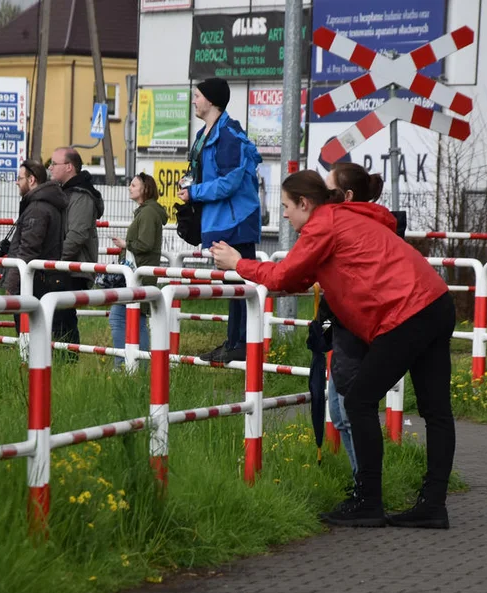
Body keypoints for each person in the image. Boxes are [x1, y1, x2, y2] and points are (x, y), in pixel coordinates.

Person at [211, 170, 455, 530]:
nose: (283, 215)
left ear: (305, 204)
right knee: (436, 411)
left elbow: (282, 278)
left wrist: (238, 263)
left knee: (359, 400)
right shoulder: (348, 215)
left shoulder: (323, 225)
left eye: (286, 207)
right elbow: (300, 277)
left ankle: (368, 501)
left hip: (406, 313)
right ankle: (432, 504)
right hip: (435, 301)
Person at [176, 78, 262, 364]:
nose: (194, 101)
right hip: (223, 219)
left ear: (211, 100)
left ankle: (243, 345)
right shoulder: (207, 133)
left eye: (197, 96)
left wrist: (195, 192)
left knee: (243, 288)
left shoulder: (228, 135)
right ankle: (234, 342)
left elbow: (230, 183)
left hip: (237, 221)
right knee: (234, 288)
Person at [319, 163, 389, 480]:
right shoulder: (347, 225)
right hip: (346, 328)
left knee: (349, 412)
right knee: (338, 413)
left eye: (328, 189)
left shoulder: (356, 228)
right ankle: (361, 482)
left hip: (359, 330)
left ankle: (366, 487)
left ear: (346, 196)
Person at [0, 160, 68, 333]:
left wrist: (12, 284)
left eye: (20, 178)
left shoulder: (37, 208)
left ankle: (27, 360)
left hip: (33, 281)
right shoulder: (47, 204)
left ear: (31, 180)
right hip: (44, 278)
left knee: (28, 334)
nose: (17, 182)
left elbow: (28, 250)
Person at [109, 172, 166, 368]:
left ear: (145, 189)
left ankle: (124, 365)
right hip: (139, 274)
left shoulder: (148, 213)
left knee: (119, 317)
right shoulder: (146, 211)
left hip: (139, 275)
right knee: (137, 319)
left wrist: (126, 244)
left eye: (134, 185)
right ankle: (137, 366)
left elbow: (145, 244)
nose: (130, 188)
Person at [49, 146, 104, 347]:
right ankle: (62, 360)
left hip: (72, 269)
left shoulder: (81, 195)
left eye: (54, 164)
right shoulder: (67, 192)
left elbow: (77, 235)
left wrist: (55, 262)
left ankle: (68, 360)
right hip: (66, 266)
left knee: (63, 320)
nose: (50, 168)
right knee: (57, 317)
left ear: (69, 167)